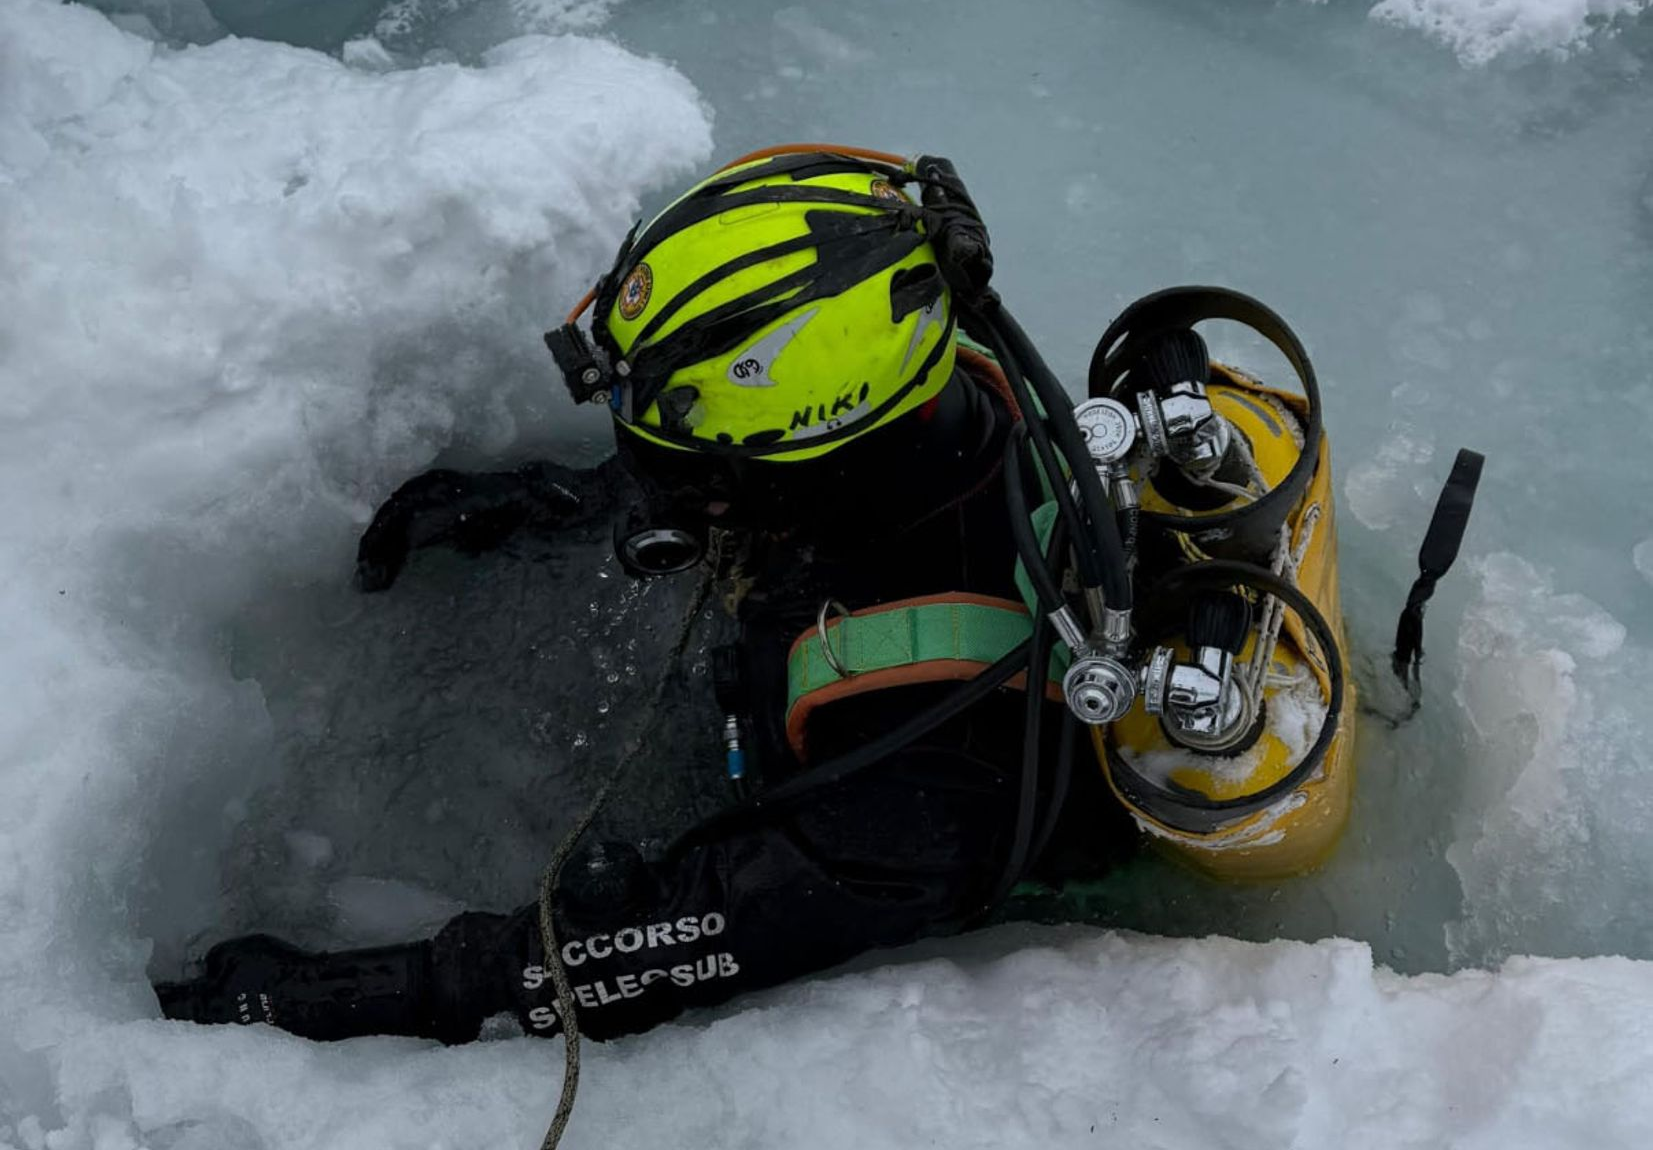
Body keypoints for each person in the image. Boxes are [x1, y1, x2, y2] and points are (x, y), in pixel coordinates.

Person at [156, 144, 1346, 1045]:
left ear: (804, 459)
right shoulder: (943, 391)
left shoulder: (918, 775)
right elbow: (745, 483)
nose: (648, 474)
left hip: (916, 833)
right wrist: (552, 502)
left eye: (675, 459)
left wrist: (379, 987)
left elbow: (672, 940)